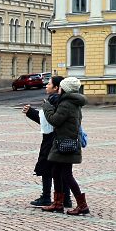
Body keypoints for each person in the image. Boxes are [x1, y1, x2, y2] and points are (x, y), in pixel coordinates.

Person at [40, 76, 90, 215]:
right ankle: (58, 203)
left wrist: (47, 107)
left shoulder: (66, 104)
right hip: (63, 142)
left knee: (67, 175)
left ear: (64, 89)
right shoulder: (72, 102)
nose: (59, 89)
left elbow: (55, 120)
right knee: (56, 171)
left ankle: (82, 205)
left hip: (65, 144)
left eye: (60, 87)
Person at [22, 75, 71, 208]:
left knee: (47, 167)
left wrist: (35, 111)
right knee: (60, 169)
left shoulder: (54, 101)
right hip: (58, 137)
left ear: (56, 88)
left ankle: (47, 197)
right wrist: (31, 113)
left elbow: (51, 121)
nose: (46, 85)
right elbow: (49, 120)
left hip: (52, 139)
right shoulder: (59, 100)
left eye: (49, 84)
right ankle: (65, 199)